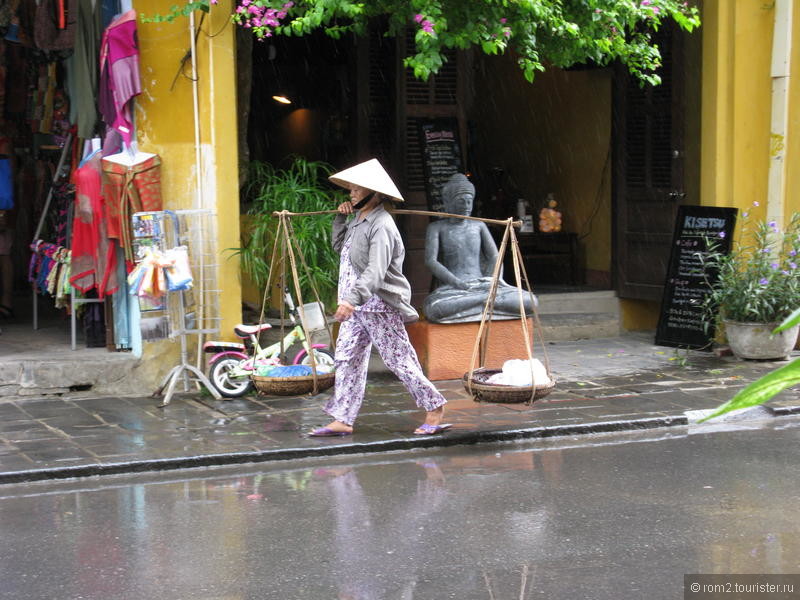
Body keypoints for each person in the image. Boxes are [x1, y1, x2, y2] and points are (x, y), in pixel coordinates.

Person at [310, 158, 450, 437]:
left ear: (374, 193)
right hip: (354, 306)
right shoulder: (358, 220)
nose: (351, 192)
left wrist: (352, 299)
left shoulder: (382, 224)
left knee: (398, 359)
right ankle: (343, 418)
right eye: (350, 188)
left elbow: (375, 270)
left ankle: (434, 407)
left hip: (377, 305)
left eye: (357, 189)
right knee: (347, 358)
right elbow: (342, 249)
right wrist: (341, 217)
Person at [423, 173, 536, 323]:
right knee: (435, 308)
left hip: (483, 284)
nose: (466, 206)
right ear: (448, 202)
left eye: (469, 201)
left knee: (530, 301)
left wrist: (493, 280)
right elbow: (431, 261)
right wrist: (457, 283)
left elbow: (495, 257)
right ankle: (486, 303)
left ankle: (481, 302)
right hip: (455, 289)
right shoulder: (437, 228)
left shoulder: (479, 225)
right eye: (461, 201)